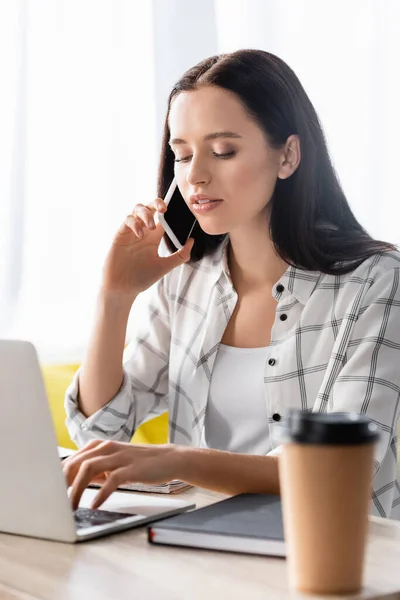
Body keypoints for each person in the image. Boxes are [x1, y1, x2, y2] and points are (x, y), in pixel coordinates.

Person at [63, 49, 400, 518]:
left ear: (288, 155)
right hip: (197, 550)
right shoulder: (186, 279)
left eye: (223, 151)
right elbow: (101, 433)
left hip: (328, 563)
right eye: (182, 154)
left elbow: (337, 470)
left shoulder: (377, 284)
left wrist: (177, 461)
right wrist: (114, 298)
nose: (195, 176)